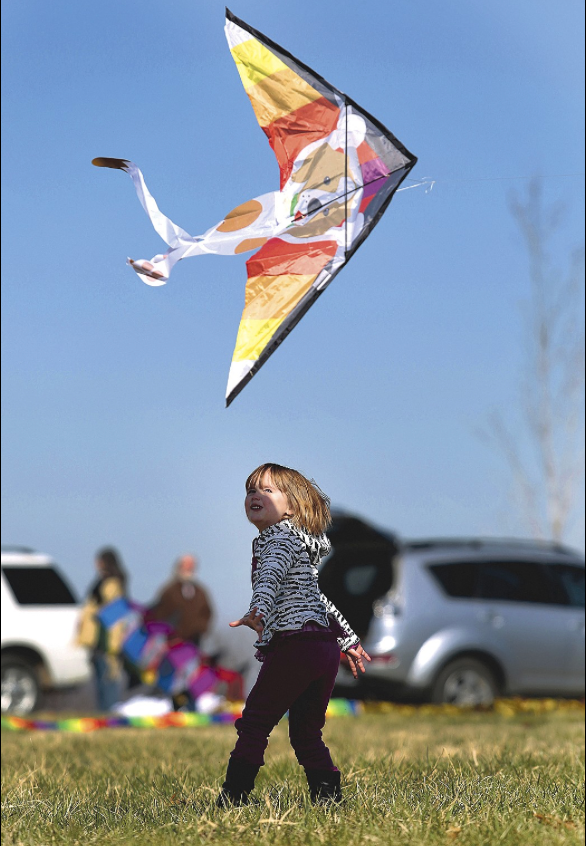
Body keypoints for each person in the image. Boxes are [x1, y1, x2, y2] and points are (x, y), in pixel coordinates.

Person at [217, 463, 371, 808]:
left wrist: (257, 609)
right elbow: (320, 600)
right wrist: (348, 640)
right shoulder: (298, 546)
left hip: (295, 646)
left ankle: (234, 798)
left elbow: (269, 578)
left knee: (255, 722)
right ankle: (328, 799)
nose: (254, 495)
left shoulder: (277, 541)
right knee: (305, 732)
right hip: (323, 650)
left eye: (266, 490)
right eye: (249, 490)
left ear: (292, 507)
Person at [77, 547, 127, 712]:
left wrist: (97, 613)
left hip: (108, 640)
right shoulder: (101, 581)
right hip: (97, 639)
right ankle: (104, 711)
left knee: (108, 677)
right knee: (100, 678)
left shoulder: (112, 583)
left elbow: (115, 613)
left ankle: (110, 712)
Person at [149, 554, 213, 645]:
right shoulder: (169, 590)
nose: (189, 568)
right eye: (186, 565)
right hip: (171, 641)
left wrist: (200, 629)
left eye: (192, 566)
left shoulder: (201, 592)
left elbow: (207, 612)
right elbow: (159, 612)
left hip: (194, 642)